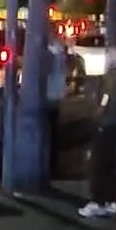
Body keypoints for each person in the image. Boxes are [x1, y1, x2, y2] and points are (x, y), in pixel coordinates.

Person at [78, 45, 116, 219]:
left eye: (111, 53)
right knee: (108, 163)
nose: (108, 56)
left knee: (98, 163)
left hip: (109, 125)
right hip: (113, 124)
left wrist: (102, 119)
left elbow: (111, 101)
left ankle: (99, 201)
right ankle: (110, 200)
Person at [45, 33, 68, 179]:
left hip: (49, 98)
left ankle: (50, 167)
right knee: (53, 135)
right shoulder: (61, 57)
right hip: (55, 99)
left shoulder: (52, 58)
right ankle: (53, 167)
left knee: (48, 135)